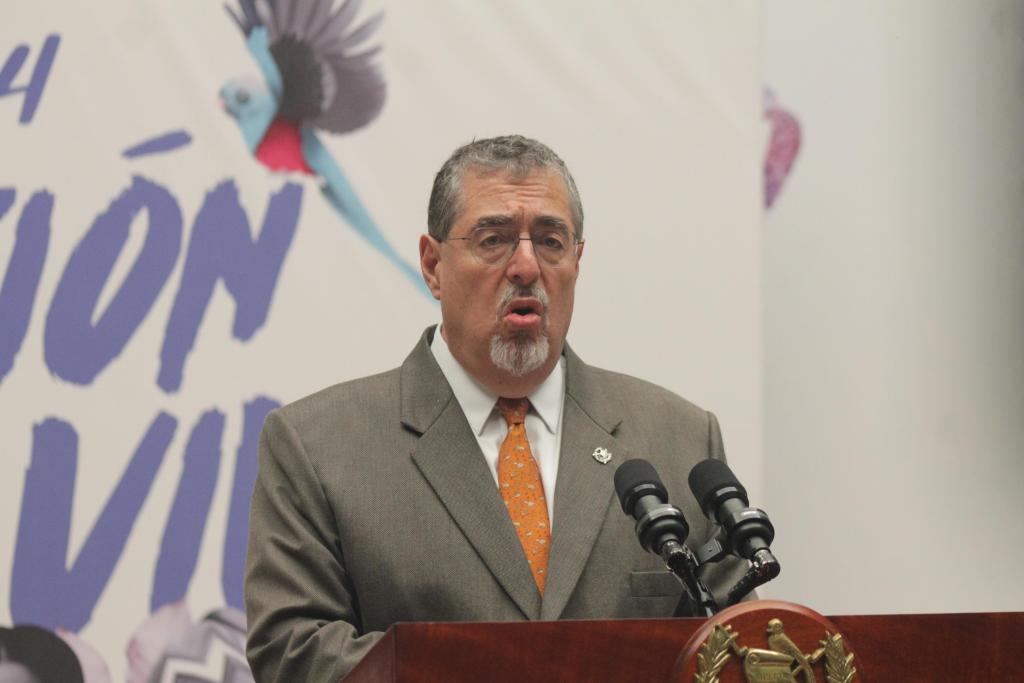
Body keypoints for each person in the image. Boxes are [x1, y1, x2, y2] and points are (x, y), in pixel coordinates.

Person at [244, 135, 749, 682]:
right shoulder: (319, 446)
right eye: (494, 239)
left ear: (577, 261)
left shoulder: (678, 439)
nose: (526, 266)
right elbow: (292, 654)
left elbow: (735, 647)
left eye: (551, 241)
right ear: (433, 265)